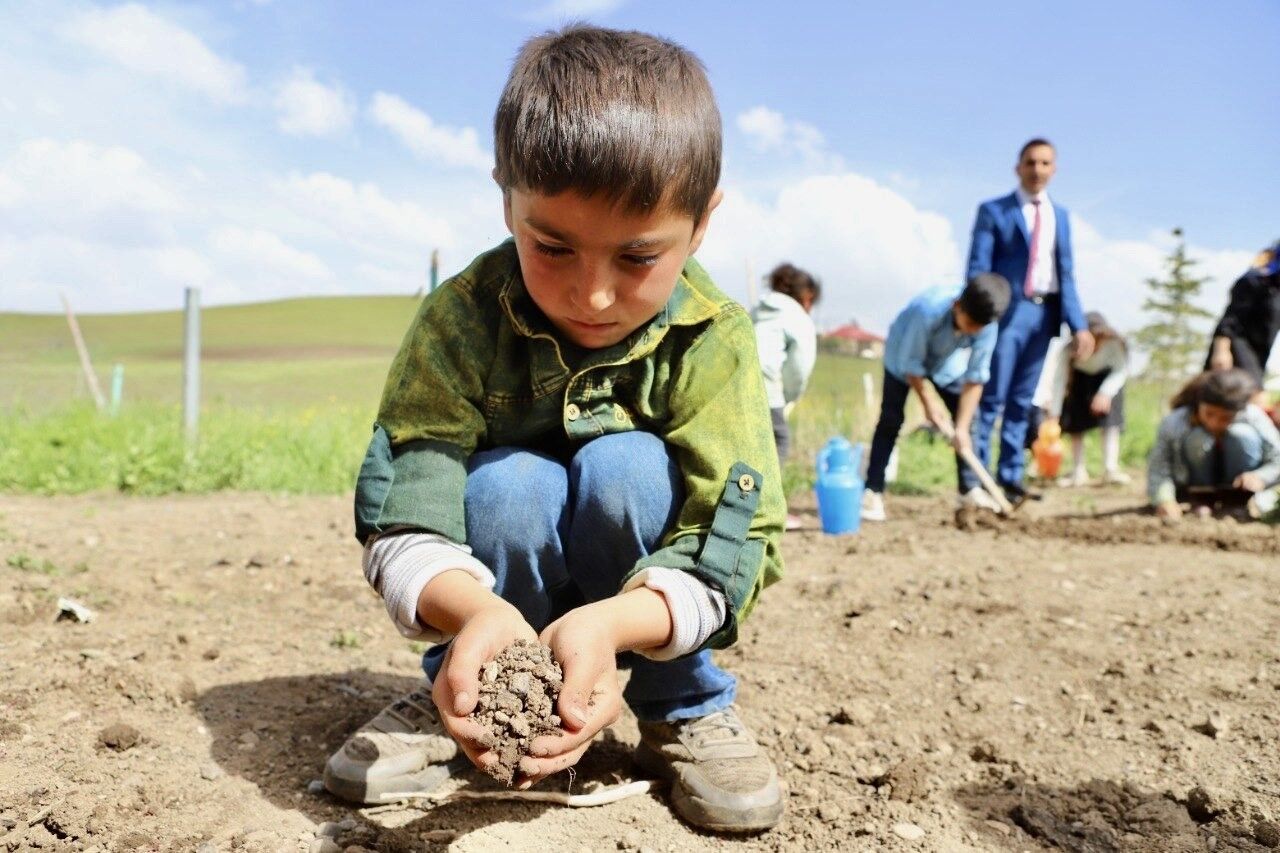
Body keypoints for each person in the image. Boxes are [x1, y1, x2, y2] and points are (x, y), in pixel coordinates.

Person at [322, 26, 786, 833]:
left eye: (638, 257)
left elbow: (733, 538)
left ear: (702, 222)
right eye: (552, 246)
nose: (593, 294)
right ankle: (469, 696)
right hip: (497, 598)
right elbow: (406, 506)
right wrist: (473, 615)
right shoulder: (460, 319)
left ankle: (681, 706)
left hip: (641, 616)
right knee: (508, 484)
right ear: (507, 195)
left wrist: (613, 623)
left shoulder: (715, 337)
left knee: (629, 469)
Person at [967, 138, 1094, 506]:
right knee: (991, 397)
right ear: (1018, 167)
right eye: (1031, 162)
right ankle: (977, 479)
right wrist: (982, 310)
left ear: (1053, 169)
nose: (1037, 169)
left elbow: (1066, 273)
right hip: (1007, 312)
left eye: (1045, 163)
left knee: (1023, 401)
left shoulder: (1062, 217)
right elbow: (978, 266)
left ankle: (1010, 477)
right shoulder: (995, 211)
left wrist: (1079, 323)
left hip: (1045, 315)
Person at [861, 273, 1011, 522]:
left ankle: (970, 490)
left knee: (967, 419)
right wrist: (929, 405)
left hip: (944, 363)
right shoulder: (928, 310)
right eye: (970, 324)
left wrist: (960, 428)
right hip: (902, 357)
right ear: (957, 306)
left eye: (979, 328)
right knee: (891, 419)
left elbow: (975, 378)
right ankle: (872, 491)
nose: (974, 331)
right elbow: (912, 363)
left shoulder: (987, 323)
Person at [1147, 369, 1280, 520]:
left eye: (1225, 418)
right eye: (1209, 413)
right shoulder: (1175, 422)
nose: (1214, 423)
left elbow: (1277, 458)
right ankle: (1201, 499)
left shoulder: (1253, 416)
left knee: (1242, 434)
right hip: (1192, 485)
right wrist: (1164, 499)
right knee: (1198, 438)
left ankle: (1237, 502)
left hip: (1241, 489)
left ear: (1239, 411)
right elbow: (1159, 465)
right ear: (1198, 404)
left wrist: (1260, 476)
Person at [751, 262, 820, 530]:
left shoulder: (758, 308)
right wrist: (787, 395)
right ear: (807, 297)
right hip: (767, 387)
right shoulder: (797, 316)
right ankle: (764, 514)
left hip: (735, 382)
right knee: (776, 443)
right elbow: (800, 366)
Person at [1047, 311, 1130, 486]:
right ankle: (1078, 470)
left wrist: (1105, 393)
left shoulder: (1113, 344)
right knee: (1076, 423)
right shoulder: (1069, 350)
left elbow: (1120, 370)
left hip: (1107, 381)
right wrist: (1054, 413)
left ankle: (1110, 468)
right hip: (1079, 381)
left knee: (1110, 423)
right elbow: (1058, 381)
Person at [1205, 240, 1280, 399]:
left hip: (1258, 358)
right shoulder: (1254, 280)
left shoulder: (1277, 290)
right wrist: (1221, 350)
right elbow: (1230, 319)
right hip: (1235, 352)